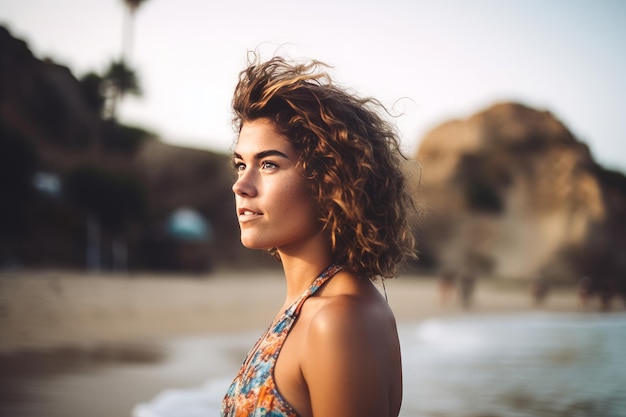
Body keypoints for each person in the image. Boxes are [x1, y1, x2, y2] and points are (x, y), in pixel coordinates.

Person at [221, 53, 417, 417]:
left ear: (328, 178)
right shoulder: (311, 306)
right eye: (240, 164)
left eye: (268, 164)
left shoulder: (340, 319)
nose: (241, 185)